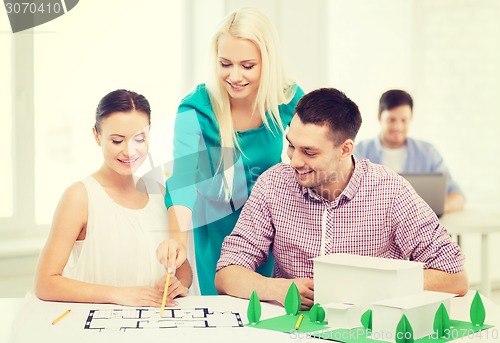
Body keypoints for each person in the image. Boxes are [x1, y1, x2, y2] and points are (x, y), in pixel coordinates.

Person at [215, 88, 468, 310]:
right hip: (291, 327)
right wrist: (275, 288)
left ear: (345, 149)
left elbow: (455, 279)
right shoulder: (273, 184)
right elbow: (227, 273)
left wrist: (371, 285)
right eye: (291, 145)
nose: (294, 161)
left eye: (309, 152)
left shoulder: (390, 191)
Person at [162, 7, 304, 295]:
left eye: (247, 66)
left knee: (273, 307)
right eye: (225, 63)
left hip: (273, 226)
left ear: (267, 62)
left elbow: (320, 149)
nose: (235, 76)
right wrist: (176, 239)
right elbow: (184, 179)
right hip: (217, 228)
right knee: (225, 312)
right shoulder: (196, 107)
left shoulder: (289, 99)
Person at [35, 89, 192, 307]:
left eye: (139, 139)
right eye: (117, 141)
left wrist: (179, 284)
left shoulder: (159, 192)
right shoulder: (80, 197)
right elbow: (45, 283)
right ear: (97, 136)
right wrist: (120, 295)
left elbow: (183, 269)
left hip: (153, 327)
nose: (130, 151)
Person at [355, 89, 465, 213]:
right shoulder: (359, 152)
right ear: (380, 118)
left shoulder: (428, 153)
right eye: (391, 120)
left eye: (404, 120)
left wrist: (430, 211)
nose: (398, 127)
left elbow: (458, 197)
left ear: (411, 119)